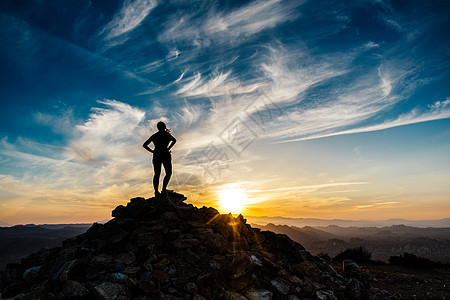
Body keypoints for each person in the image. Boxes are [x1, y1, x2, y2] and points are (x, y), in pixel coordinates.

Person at [143, 121, 177, 196]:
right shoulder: (166, 134)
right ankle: (163, 189)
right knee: (168, 173)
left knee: (157, 174)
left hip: (157, 155)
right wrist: (168, 148)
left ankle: (157, 191)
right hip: (165, 154)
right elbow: (174, 140)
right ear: (164, 126)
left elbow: (145, 145)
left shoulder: (155, 135)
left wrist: (152, 151)